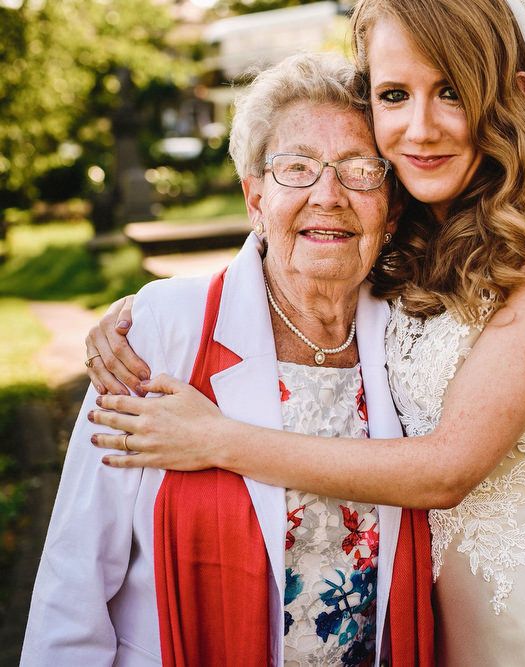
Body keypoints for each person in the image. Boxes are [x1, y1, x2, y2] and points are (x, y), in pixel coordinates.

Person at [85, 0, 525, 664]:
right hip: (419, 630)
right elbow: (301, 243)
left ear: (510, 95)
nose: (420, 128)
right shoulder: (411, 238)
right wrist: (161, 308)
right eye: (394, 95)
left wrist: (216, 438)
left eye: (451, 90)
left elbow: (449, 466)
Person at [22, 53, 437, 666]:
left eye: (358, 170)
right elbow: (76, 574)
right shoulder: (164, 329)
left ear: (392, 207)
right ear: (255, 200)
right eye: (297, 169)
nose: (329, 195)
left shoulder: (420, 338)